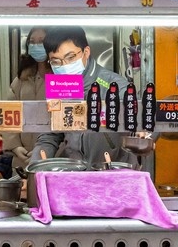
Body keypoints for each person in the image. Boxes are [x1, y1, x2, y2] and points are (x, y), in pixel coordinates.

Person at [29, 26, 141, 167]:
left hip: (113, 174)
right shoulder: (60, 87)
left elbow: (144, 125)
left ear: (86, 52)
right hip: (75, 174)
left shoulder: (115, 86)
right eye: (56, 61)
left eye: (70, 57)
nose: (64, 66)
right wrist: (35, 168)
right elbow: (49, 136)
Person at [1, 27, 52, 165]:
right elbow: (8, 113)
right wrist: (16, 147)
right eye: (32, 41)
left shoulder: (63, 77)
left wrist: (49, 150)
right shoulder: (22, 78)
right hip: (23, 156)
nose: (36, 45)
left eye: (41, 41)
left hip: (54, 156)